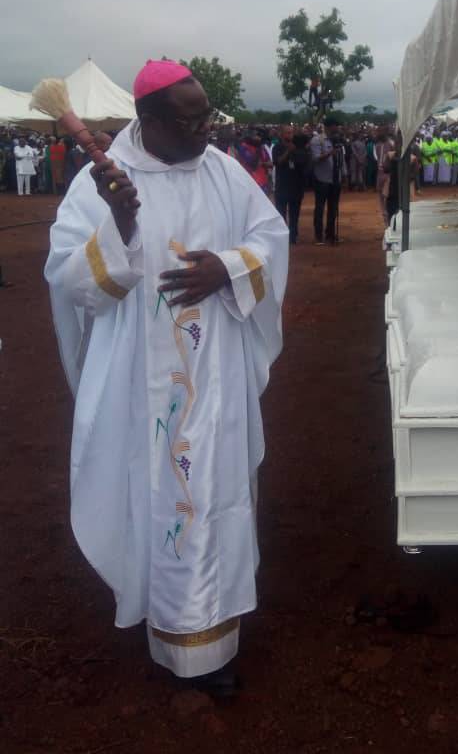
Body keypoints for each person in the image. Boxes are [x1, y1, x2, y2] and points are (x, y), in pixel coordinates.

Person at [45, 59, 288, 694]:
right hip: (142, 378)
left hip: (219, 370)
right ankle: (181, 638)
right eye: (191, 118)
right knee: (164, 499)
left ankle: (215, 627)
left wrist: (229, 269)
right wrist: (120, 227)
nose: (206, 127)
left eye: (207, 113)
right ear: (148, 120)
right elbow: (67, 279)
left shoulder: (221, 168)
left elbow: (270, 235)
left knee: (219, 493)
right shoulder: (99, 182)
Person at [310, 115, 344, 245]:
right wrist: (330, 153)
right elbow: (315, 158)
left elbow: (341, 159)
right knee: (320, 208)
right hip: (322, 179)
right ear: (329, 127)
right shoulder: (317, 140)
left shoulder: (338, 141)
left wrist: (344, 174)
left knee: (333, 208)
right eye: (336, 126)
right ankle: (318, 236)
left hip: (336, 178)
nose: (338, 128)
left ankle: (330, 234)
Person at [273, 125, 309, 245]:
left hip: (296, 186)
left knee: (294, 214)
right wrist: (289, 151)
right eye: (287, 133)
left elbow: (303, 164)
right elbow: (278, 162)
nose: (290, 135)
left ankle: (293, 236)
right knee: (281, 214)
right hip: (282, 186)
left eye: (291, 133)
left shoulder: (299, 147)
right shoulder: (277, 147)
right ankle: (282, 237)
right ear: (281, 134)